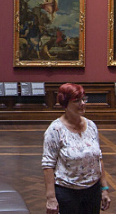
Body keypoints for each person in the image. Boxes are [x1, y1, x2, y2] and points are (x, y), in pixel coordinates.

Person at [41, 83, 107, 213]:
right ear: (65, 104)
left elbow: (98, 158)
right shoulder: (55, 130)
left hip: (92, 190)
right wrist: (51, 198)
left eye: (83, 99)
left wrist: (104, 189)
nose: (82, 103)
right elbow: (48, 165)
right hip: (67, 193)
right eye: (77, 101)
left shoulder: (91, 126)